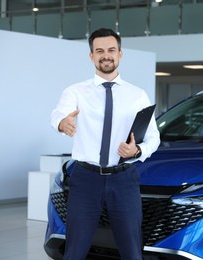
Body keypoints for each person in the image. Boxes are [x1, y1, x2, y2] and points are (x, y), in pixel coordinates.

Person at [50, 28, 160, 260]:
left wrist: (137, 150)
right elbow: (58, 114)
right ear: (91, 56)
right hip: (85, 179)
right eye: (99, 51)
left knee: (131, 249)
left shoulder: (137, 95)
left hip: (124, 179)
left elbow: (153, 137)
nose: (105, 55)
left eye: (111, 50)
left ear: (120, 54)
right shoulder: (76, 92)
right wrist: (63, 123)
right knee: (75, 249)